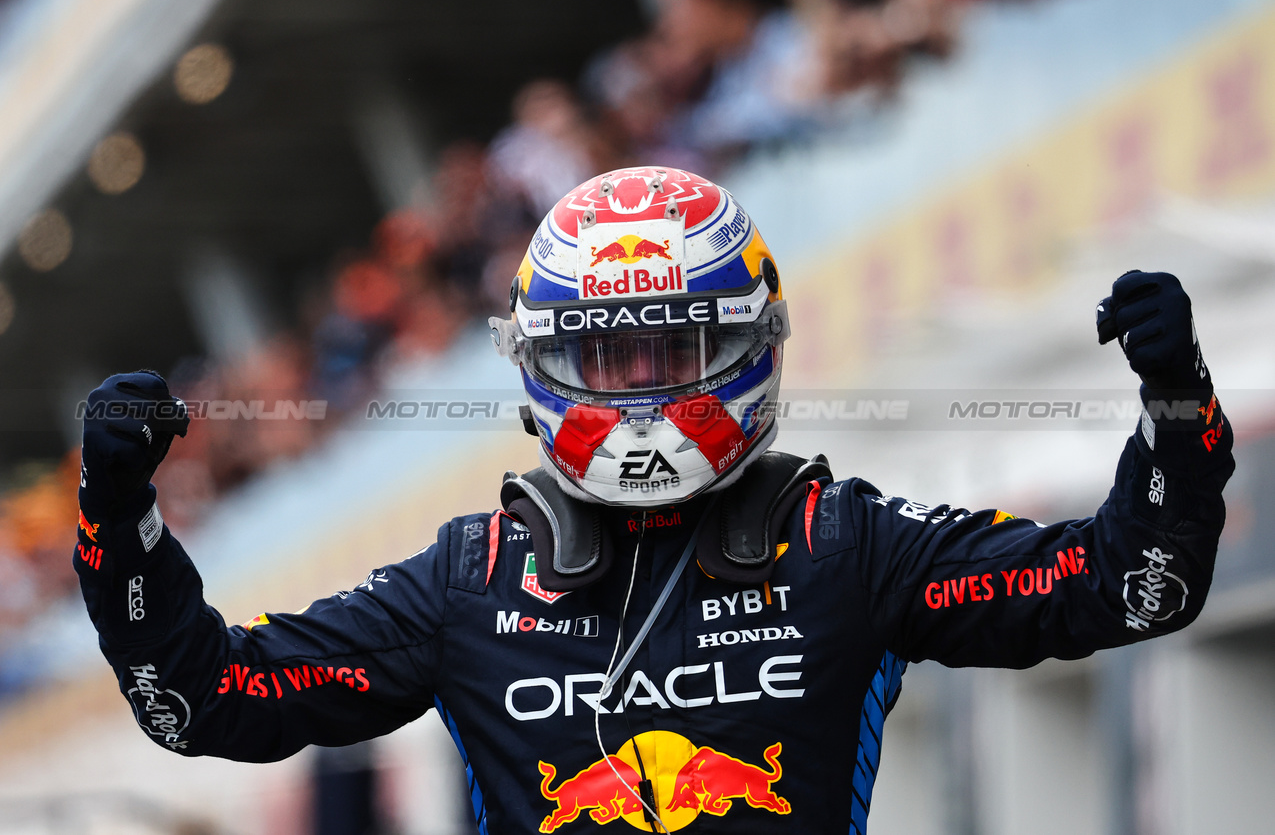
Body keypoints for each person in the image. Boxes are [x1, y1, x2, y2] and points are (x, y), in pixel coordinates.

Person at [75, 166, 1232, 835]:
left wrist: (1175, 415)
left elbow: (1129, 589)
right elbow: (203, 702)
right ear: (537, 364)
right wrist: (120, 518)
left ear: (753, 344)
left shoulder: (847, 543)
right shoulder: (468, 578)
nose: (642, 394)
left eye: (674, 349)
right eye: (607, 359)